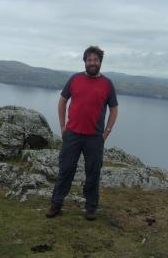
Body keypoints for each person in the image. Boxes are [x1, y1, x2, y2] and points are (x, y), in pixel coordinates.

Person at [46, 45, 118, 221]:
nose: (92, 62)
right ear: (85, 61)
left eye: (95, 59)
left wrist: (106, 132)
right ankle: (56, 204)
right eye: (89, 59)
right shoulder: (75, 79)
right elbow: (62, 101)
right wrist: (63, 127)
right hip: (72, 135)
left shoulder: (107, 84)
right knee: (65, 170)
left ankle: (91, 208)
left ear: (100, 62)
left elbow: (114, 109)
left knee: (93, 173)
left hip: (95, 137)